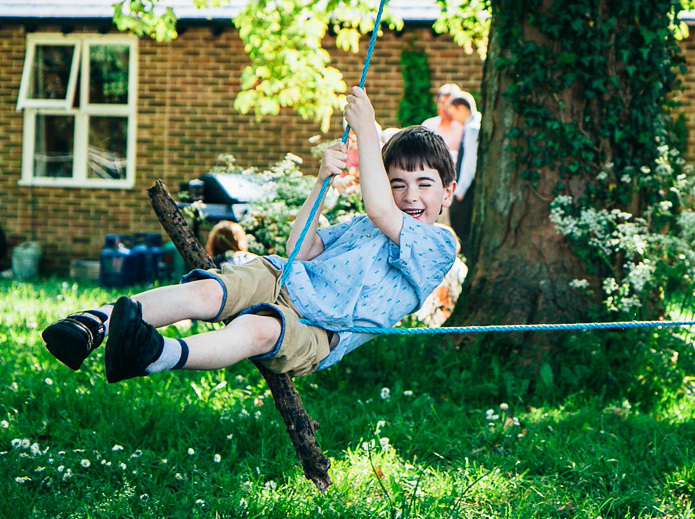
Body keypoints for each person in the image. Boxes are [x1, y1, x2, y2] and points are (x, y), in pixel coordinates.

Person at [40, 86, 458, 381]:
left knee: (257, 330)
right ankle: (96, 322)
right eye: (397, 184)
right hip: (285, 276)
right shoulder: (366, 226)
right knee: (209, 293)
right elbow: (302, 248)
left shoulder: (437, 244)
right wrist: (319, 183)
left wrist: (368, 131)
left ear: (448, 192)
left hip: (322, 331)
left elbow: (379, 207)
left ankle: (153, 354)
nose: (410, 196)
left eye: (423, 185)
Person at [446, 92, 481, 248]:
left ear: (461, 108)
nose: (454, 119)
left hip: (466, 190)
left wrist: (460, 191)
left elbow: (470, 162)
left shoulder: (472, 129)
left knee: (461, 227)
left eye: (454, 114)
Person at [421, 83, 464, 163]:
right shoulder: (428, 125)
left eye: (448, 103)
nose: (444, 107)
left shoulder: (462, 128)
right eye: (442, 102)